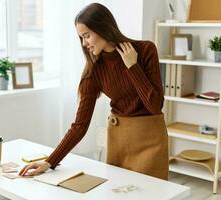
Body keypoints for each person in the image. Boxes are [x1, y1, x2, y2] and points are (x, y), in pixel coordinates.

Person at [19, 3, 168, 180]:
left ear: (103, 28)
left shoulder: (145, 50)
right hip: (120, 141)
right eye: (81, 38)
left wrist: (133, 66)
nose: (84, 43)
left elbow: (155, 106)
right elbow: (79, 126)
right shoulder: (94, 72)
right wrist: (50, 161)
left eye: (87, 36)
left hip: (151, 139)